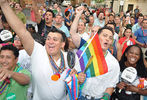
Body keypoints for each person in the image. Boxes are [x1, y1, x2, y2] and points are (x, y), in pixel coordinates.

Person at [0, 1, 81, 100]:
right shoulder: (37, 51)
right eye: (48, 38)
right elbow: (21, 31)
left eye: (55, 40)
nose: (50, 42)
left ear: (62, 44)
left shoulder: (70, 57)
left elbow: (78, 79)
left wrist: (79, 78)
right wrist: (4, 4)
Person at [70, 6, 120, 100]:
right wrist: (78, 15)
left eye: (110, 38)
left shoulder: (113, 63)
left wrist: (105, 97)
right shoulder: (85, 51)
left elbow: (111, 85)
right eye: (104, 35)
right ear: (96, 37)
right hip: (79, 96)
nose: (107, 39)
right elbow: (73, 32)